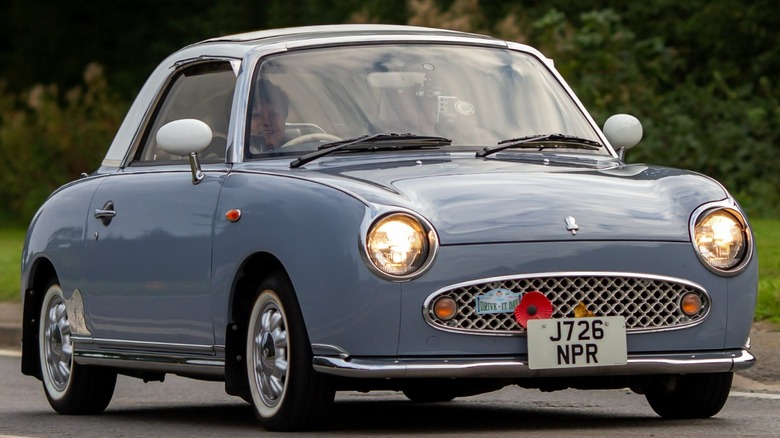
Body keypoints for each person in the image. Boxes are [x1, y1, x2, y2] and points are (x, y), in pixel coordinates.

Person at [248, 80, 290, 156]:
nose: (266, 122)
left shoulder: (309, 150)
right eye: (256, 115)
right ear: (241, 124)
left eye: (273, 114)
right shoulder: (235, 155)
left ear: (285, 117)